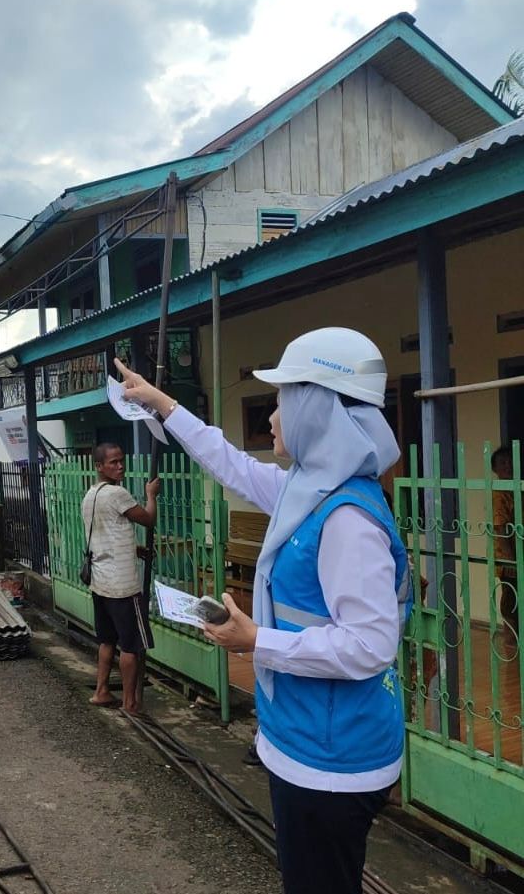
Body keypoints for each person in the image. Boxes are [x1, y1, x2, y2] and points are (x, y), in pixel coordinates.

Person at [115, 326, 413, 894]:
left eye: (282, 401)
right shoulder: (313, 491)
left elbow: (371, 645)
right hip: (305, 740)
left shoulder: (347, 520)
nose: (272, 417)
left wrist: (257, 641)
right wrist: (162, 404)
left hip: (332, 758)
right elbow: (229, 463)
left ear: (315, 409)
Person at [81, 443, 159, 714]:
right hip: (122, 586)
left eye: (121, 461)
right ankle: (130, 702)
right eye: (113, 462)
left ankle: (101, 691)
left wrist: (133, 548)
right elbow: (147, 519)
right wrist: (152, 495)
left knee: (107, 640)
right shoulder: (117, 493)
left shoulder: (91, 495)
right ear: (99, 466)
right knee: (131, 645)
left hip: (100, 581)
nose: (120, 466)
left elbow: (107, 534)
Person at [491, 445, 519, 634]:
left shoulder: (515, 489)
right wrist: (509, 558)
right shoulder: (500, 493)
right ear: (495, 469)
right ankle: (511, 643)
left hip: (518, 554)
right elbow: (500, 526)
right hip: (509, 558)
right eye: (503, 463)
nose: (508, 466)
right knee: (511, 602)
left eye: (510, 461)